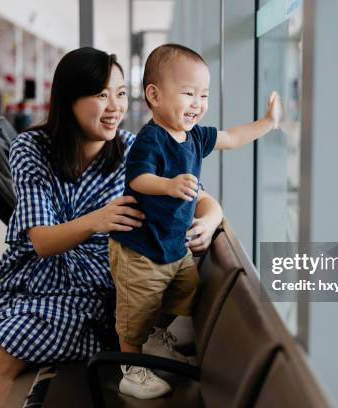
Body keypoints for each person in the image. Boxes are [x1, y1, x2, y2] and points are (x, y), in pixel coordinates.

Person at [0, 47, 223, 408]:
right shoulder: (31, 148)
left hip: (91, 288)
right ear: (69, 99)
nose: (115, 107)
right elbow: (41, 241)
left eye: (120, 93)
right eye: (102, 95)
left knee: (1, 351)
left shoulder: (134, 150)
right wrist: (98, 219)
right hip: (31, 278)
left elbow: (200, 198)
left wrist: (212, 218)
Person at [108, 43, 282, 399]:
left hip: (172, 248)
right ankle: (131, 366)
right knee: (136, 310)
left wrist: (267, 123)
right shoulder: (150, 139)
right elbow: (139, 180)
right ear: (154, 95)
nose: (198, 103)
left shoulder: (196, 136)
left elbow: (233, 138)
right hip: (140, 251)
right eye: (188, 93)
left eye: (203, 95)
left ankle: (157, 340)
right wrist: (169, 185)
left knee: (182, 291)